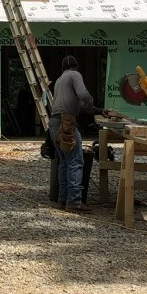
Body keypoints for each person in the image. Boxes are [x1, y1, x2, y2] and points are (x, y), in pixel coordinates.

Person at [50, 55, 102, 210]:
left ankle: (63, 199)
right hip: (66, 122)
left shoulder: (60, 80)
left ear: (62, 68)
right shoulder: (75, 75)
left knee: (64, 162)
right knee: (75, 161)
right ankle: (74, 201)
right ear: (76, 66)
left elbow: (77, 103)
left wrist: (98, 111)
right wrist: (91, 102)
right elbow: (83, 95)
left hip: (54, 123)